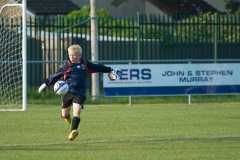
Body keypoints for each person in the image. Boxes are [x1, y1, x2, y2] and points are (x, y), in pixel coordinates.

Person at [38, 44, 122, 141]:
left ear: (79, 55)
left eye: (74, 55)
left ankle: (73, 131)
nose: (72, 57)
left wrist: (110, 70)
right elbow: (57, 74)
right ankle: (66, 117)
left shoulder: (85, 64)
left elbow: (98, 67)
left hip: (79, 92)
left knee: (77, 112)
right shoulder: (67, 65)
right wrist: (45, 84)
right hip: (67, 92)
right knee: (64, 114)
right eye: (70, 55)